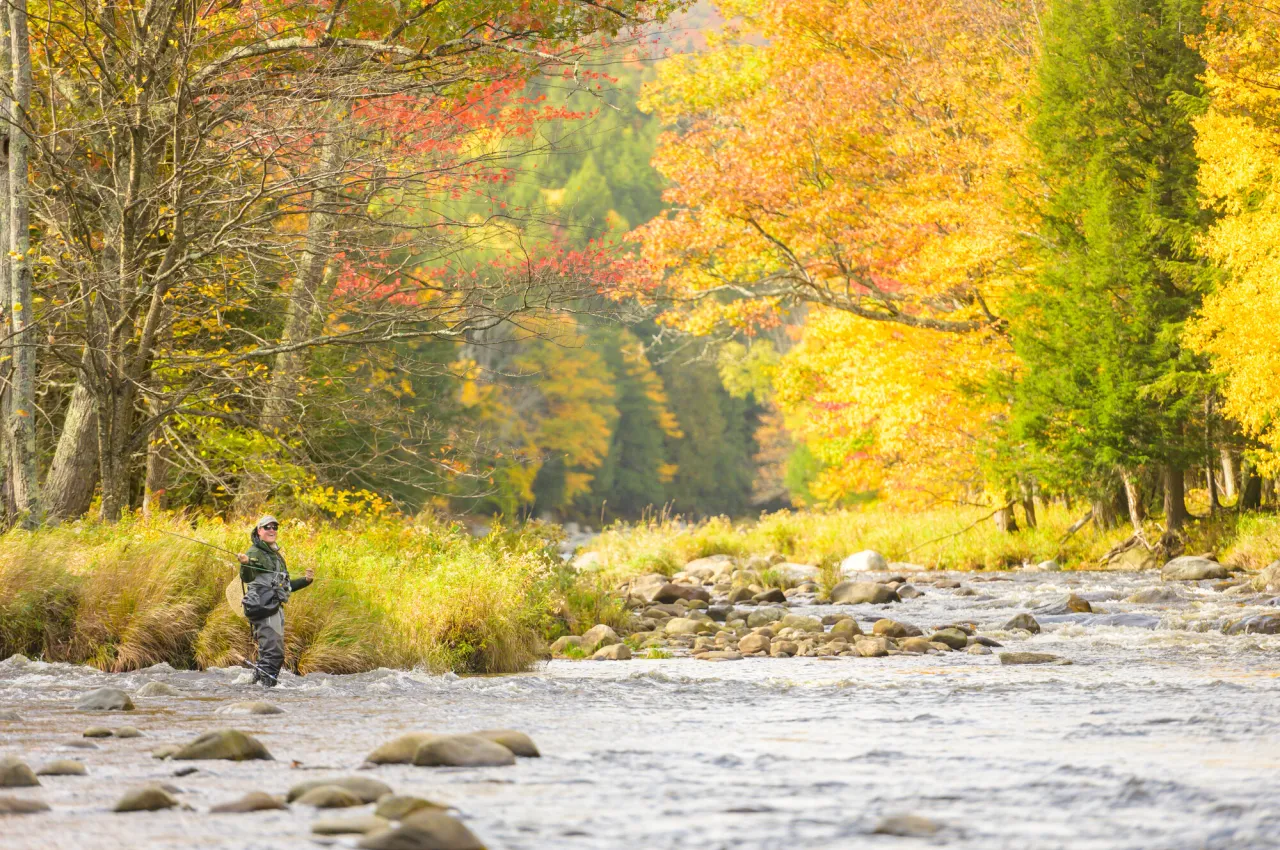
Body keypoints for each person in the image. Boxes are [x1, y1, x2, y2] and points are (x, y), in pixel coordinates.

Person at [237, 515, 314, 686]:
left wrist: (306, 581)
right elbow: (247, 577)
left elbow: (285, 587)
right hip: (263, 607)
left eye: (275, 527)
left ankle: (258, 684)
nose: (272, 530)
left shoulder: (275, 555)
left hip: (274, 606)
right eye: (267, 527)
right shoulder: (254, 552)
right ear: (259, 531)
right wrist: (245, 563)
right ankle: (267, 688)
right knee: (274, 652)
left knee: (268, 652)